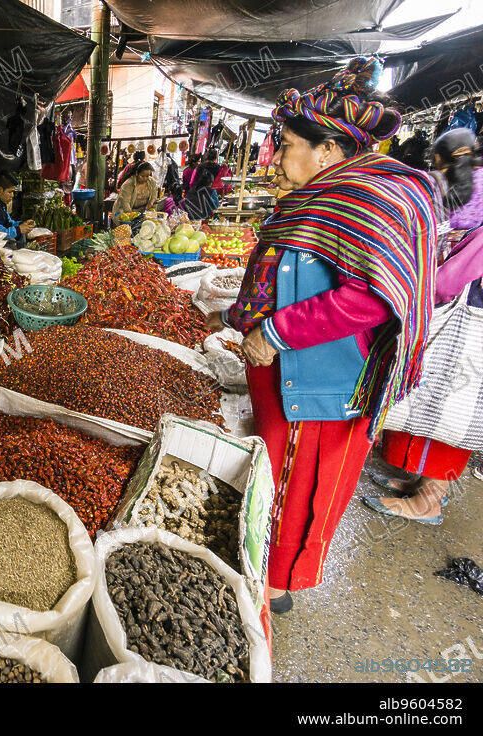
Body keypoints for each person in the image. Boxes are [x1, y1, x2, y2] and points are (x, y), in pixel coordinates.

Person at [205, 57, 437, 614]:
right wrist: (241, 319)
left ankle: (275, 585)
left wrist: (278, 333)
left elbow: (372, 297)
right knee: (277, 475)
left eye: (286, 145)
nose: (277, 157)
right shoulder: (322, 197)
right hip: (283, 377)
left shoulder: (370, 199)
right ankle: (266, 569)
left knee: (302, 484)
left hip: (320, 381)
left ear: (328, 150)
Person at [363, 128, 483, 524]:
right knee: (434, 402)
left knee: (453, 409)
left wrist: (410, 286)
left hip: (470, 318)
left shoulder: (475, 200)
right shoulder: (468, 192)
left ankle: (430, 500)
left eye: (440, 167)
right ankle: (421, 485)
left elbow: (449, 279)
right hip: (462, 305)